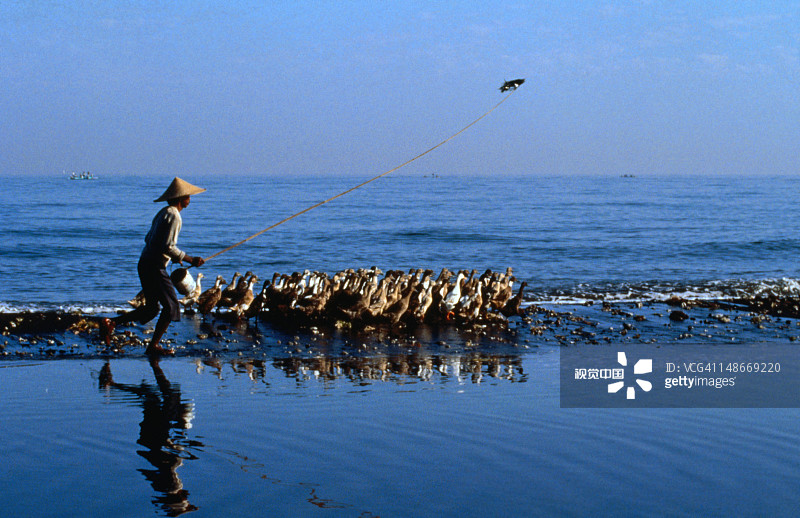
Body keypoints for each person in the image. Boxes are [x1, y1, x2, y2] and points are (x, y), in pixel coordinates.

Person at [101, 177, 206, 356]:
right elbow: (168, 246)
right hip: (154, 267)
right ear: (181, 198)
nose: (190, 199)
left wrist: (172, 258)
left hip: (146, 263)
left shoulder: (163, 212)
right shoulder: (175, 216)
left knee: (152, 309)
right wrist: (190, 259)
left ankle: (111, 323)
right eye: (188, 196)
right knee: (171, 307)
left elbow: (150, 240)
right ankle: (154, 346)